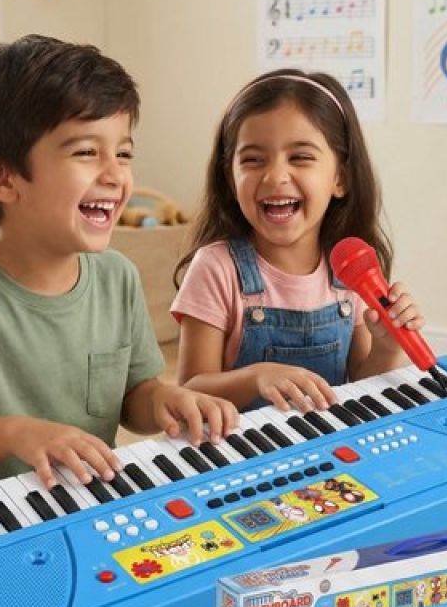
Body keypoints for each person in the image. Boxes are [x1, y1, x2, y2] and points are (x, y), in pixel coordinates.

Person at [0, 34, 238, 501]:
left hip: (82, 503)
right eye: (86, 152)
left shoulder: (117, 278)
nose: (115, 175)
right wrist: (15, 434)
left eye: (123, 153)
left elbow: (134, 396)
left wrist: (165, 400)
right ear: (2, 177)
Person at [171, 68, 425, 413]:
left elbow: (360, 386)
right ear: (230, 178)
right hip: (244, 443)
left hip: (330, 441)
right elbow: (190, 391)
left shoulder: (351, 271)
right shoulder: (216, 267)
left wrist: (387, 346)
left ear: (340, 178)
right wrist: (256, 377)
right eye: (253, 160)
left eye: (300, 157)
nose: (275, 175)